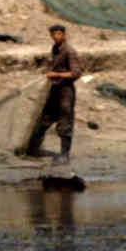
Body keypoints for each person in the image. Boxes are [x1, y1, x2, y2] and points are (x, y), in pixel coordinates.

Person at [22, 23, 83, 163]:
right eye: (54, 34)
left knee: (65, 121)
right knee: (44, 118)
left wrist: (56, 74)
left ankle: (64, 154)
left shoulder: (69, 51)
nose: (56, 36)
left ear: (64, 35)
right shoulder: (55, 49)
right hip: (54, 89)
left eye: (59, 34)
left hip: (66, 91)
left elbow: (76, 73)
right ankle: (33, 148)